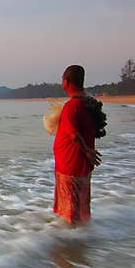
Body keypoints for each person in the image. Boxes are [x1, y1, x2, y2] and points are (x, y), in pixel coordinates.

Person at [52, 65, 106, 225]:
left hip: (71, 164)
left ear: (67, 81)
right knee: (81, 205)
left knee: (71, 209)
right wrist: (88, 152)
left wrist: (87, 151)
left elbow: (74, 135)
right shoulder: (89, 102)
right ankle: (81, 238)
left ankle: (71, 243)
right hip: (82, 164)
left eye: (62, 79)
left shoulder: (72, 106)